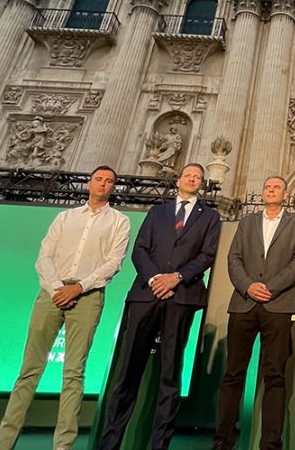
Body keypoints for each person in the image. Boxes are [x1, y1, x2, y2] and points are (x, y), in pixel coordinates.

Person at [0, 166, 130, 450]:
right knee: (29, 370)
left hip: (88, 296)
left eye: (109, 181)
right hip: (50, 294)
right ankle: (3, 444)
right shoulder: (64, 217)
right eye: (99, 179)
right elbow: (44, 256)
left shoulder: (119, 221)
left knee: (74, 372)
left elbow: (114, 262)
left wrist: (78, 288)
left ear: (113, 187)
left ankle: (63, 445)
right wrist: (57, 289)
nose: (103, 184)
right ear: (89, 183)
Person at [97, 163, 222, 450]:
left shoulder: (210, 217)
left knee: (170, 372)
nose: (192, 179)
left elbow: (208, 254)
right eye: (188, 175)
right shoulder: (158, 212)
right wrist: (155, 278)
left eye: (198, 177)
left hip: (181, 296)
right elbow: (140, 249)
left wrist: (176, 277)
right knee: (128, 371)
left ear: (202, 184)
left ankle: (159, 445)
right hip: (146, 294)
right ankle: (110, 441)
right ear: (179, 181)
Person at [213, 176, 295, 450]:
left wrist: (269, 287)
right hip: (244, 303)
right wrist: (248, 286)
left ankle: (270, 443)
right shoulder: (247, 222)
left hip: (277, 305)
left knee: (275, 375)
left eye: (276, 187)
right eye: (267, 187)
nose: (270, 190)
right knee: (233, 373)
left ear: (286, 194)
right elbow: (234, 258)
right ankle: (223, 440)